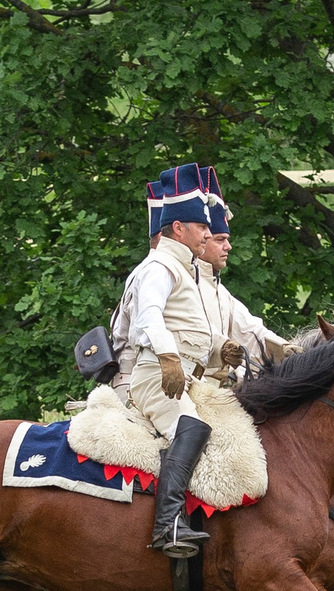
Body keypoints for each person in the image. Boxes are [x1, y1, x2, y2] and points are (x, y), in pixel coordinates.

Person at [120, 163, 238, 558]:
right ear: (177, 229)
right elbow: (149, 315)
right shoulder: (159, 265)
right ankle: (168, 525)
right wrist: (168, 356)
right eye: (200, 226)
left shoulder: (184, 269)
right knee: (193, 429)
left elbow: (192, 333)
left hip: (181, 375)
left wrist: (222, 349)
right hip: (160, 376)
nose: (209, 233)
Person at [195, 172, 292, 374]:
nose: (228, 246)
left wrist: (286, 350)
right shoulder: (181, 281)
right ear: (202, 240)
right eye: (220, 240)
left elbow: (251, 332)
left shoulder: (219, 291)